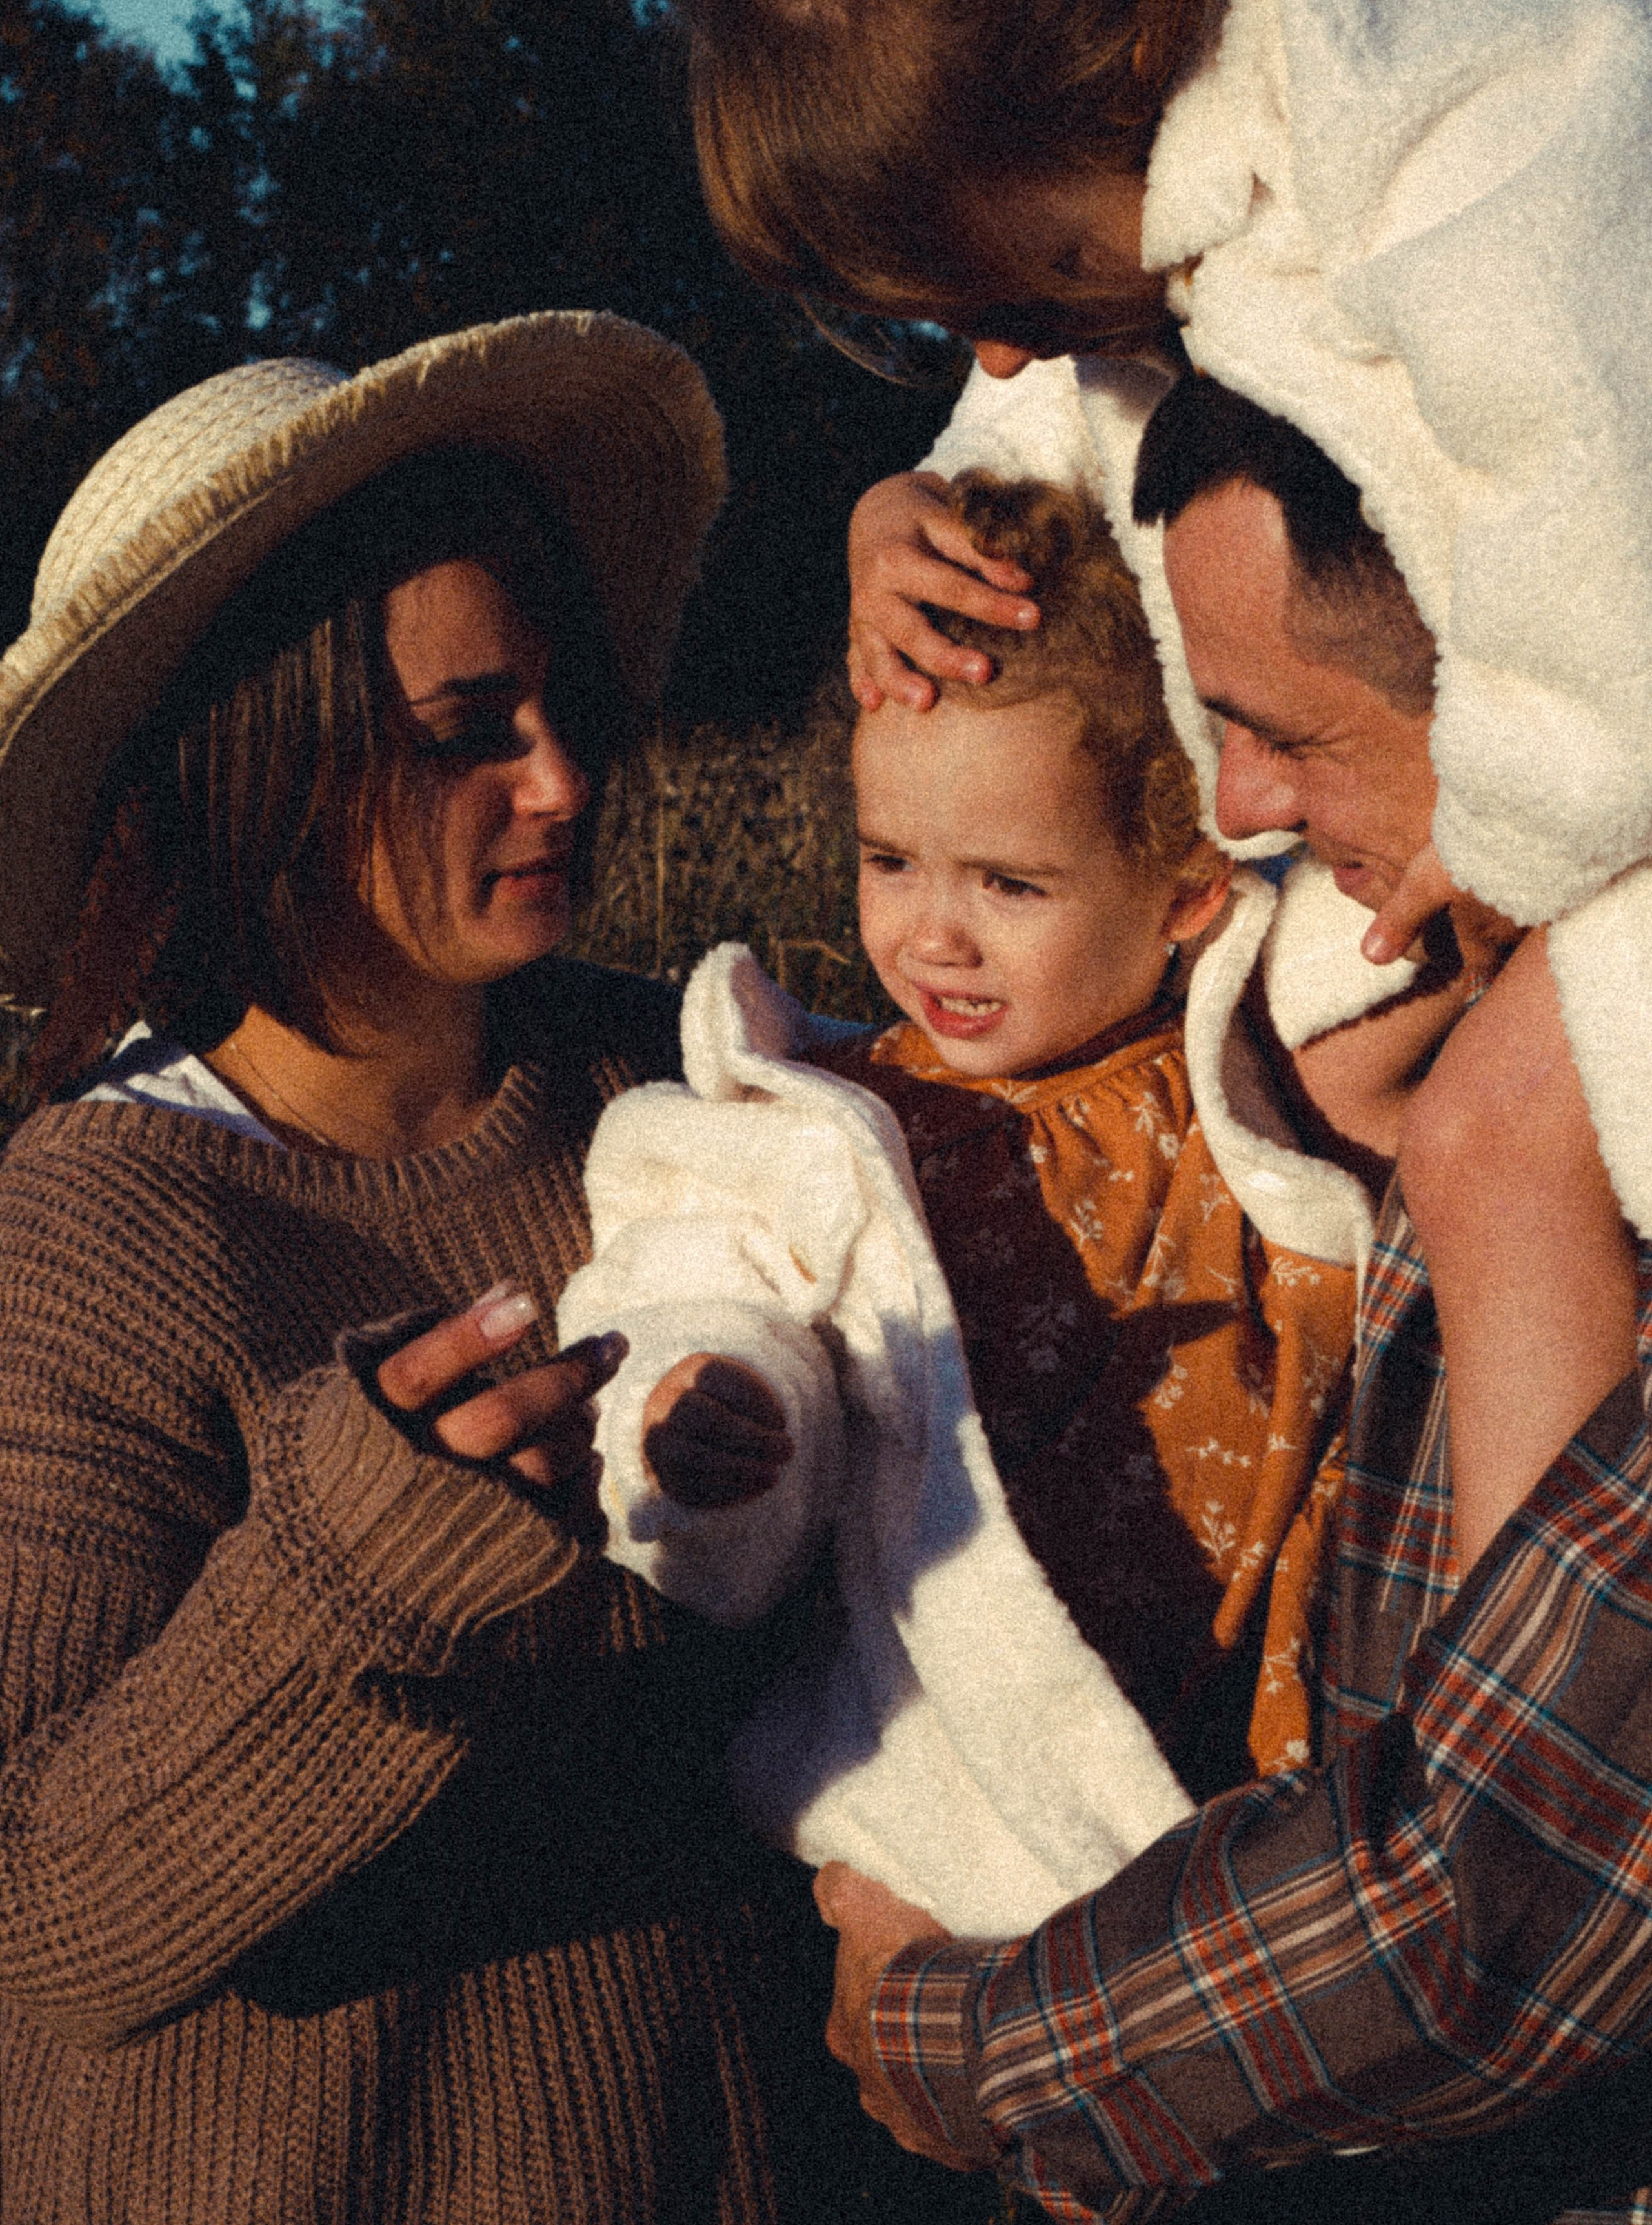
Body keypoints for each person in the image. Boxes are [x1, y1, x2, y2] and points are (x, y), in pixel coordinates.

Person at [0, 313, 980, 2225]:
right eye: (466, 739)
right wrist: (356, 1571)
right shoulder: (92, 1241)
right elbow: (46, 1927)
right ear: (259, 770)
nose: (562, 781)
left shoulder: (690, 1085)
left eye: (563, 709)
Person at [812, 378, 1652, 2225]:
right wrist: (905, 502)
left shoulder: (1536, 1089)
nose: (1248, 804)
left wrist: (961, 2033)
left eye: (1289, 738)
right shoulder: (1472, 1041)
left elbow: (1486, 1896)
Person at [559, 466, 1377, 1945]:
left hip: (1260, 1736)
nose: (929, 932)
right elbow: (702, 1276)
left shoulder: (1250, 1064)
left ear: (1189, 888)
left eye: (1009, 883)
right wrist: (711, 1406)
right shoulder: (840, 1117)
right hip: (976, 1778)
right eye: (887, 861)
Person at [690, 0, 1652, 985]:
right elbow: (1058, 390)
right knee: (1332, 1058)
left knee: (1488, 1137)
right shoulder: (1150, 163)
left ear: (1126, 65)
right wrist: (931, 503)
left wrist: (1521, 824)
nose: (998, 354)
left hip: (1598, 761)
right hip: (1520, 784)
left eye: (1029, 294)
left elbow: (1603, 462)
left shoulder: (1436, 67)